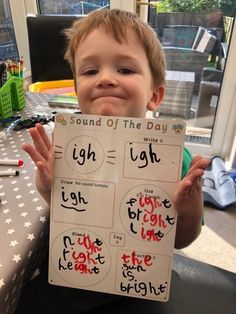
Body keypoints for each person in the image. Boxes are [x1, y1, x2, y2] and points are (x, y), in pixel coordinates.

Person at [16, 9, 209, 313]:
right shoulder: (70, 145)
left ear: (155, 95)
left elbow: (182, 240)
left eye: (125, 69)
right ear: (77, 91)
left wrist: (188, 210)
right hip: (69, 279)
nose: (105, 78)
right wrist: (49, 186)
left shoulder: (174, 158)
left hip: (137, 287)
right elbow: (68, 212)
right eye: (90, 71)